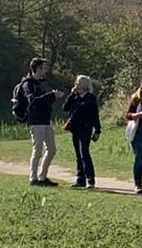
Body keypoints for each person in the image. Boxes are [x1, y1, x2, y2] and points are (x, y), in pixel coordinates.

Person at [22, 57, 65, 186]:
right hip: (35, 122)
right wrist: (51, 95)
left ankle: (42, 177)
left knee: (51, 149)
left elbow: (43, 101)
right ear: (38, 68)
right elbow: (33, 101)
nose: (46, 70)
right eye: (44, 68)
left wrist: (52, 96)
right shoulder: (28, 84)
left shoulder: (40, 83)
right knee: (37, 151)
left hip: (45, 121)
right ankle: (33, 178)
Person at [63, 75, 101, 188]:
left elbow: (95, 115)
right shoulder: (75, 97)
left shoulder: (90, 98)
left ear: (84, 84)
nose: (76, 84)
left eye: (78, 83)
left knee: (84, 152)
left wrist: (98, 129)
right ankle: (80, 179)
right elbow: (65, 108)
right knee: (78, 154)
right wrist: (71, 95)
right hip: (75, 129)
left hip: (86, 128)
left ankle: (90, 180)